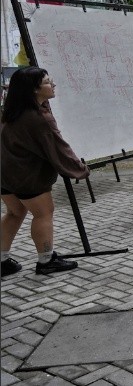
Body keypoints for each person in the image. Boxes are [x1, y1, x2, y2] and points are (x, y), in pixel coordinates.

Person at [1, 67, 90, 276]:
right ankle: (46, 260)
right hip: (26, 176)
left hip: (5, 174)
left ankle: (1, 260)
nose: (54, 85)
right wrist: (80, 169)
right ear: (34, 90)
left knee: (14, 213)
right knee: (43, 213)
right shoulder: (38, 118)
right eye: (48, 82)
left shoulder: (10, 111)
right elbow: (59, 148)